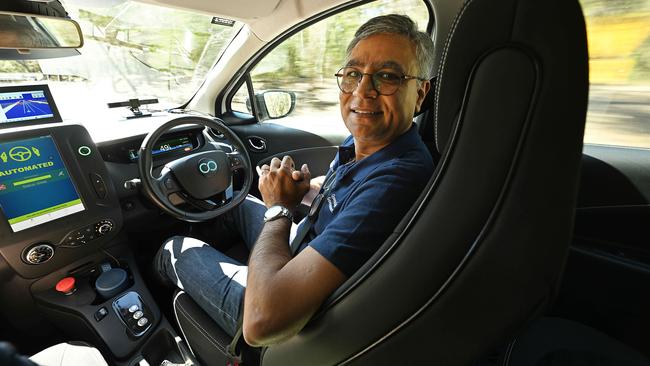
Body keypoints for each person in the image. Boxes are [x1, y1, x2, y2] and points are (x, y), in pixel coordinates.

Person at [155, 14, 435, 347]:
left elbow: (262, 323)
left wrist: (278, 209)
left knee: (173, 249)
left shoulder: (395, 180)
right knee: (237, 202)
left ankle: (162, 331)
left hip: (279, 311)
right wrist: (299, 189)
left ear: (419, 93)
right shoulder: (366, 144)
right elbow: (338, 196)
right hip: (300, 250)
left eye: (387, 76)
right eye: (353, 74)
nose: (363, 91)